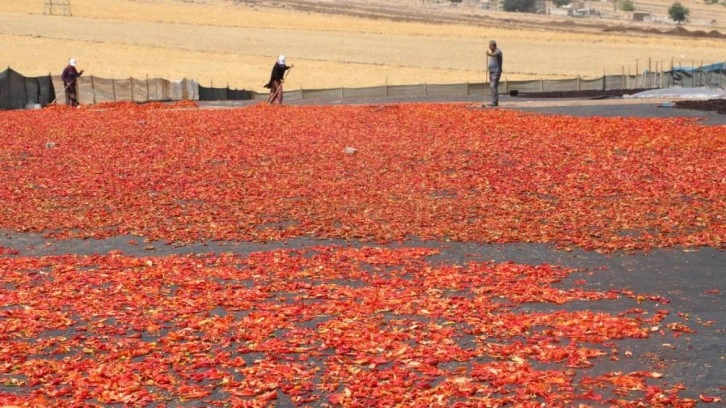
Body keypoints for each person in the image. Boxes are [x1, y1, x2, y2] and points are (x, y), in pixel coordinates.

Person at [485, 40, 503, 107]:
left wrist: (489, 54)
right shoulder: (493, 51)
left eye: (490, 46)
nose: (489, 48)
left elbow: (495, 55)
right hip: (491, 71)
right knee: (492, 86)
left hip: (496, 71)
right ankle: (494, 101)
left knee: (493, 85)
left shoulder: (498, 51)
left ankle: (495, 102)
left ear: (493, 45)